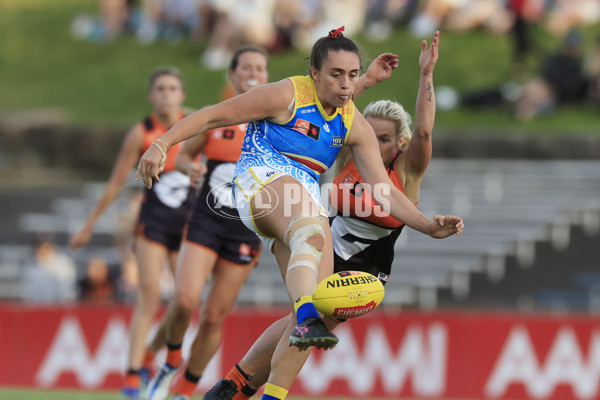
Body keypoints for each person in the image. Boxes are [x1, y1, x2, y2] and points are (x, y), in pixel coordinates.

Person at [137, 27, 463, 400]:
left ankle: (252, 392)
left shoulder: (353, 123)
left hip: (303, 203)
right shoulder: (286, 94)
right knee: (311, 228)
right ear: (314, 73)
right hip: (260, 180)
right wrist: (162, 144)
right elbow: (213, 116)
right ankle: (306, 315)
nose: (345, 85)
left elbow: (385, 191)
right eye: (336, 74)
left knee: (316, 303)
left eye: (353, 76)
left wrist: (426, 226)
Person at [144, 46, 269, 400]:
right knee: (184, 301)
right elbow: (184, 157)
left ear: (267, 76)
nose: (253, 73)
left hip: (245, 229)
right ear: (232, 74)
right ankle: (170, 362)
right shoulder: (216, 117)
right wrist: (190, 168)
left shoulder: (276, 123)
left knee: (214, 317)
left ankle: (184, 390)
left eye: (260, 68)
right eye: (246, 67)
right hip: (205, 220)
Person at [69, 66, 195, 399]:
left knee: (185, 302)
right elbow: (115, 184)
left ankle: (152, 354)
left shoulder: (196, 125)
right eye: (161, 89)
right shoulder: (141, 133)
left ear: (182, 95)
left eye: (172, 89)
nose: (167, 95)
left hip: (187, 227)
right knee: (149, 296)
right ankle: (130, 376)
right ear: (151, 95)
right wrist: (88, 226)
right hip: (152, 224)